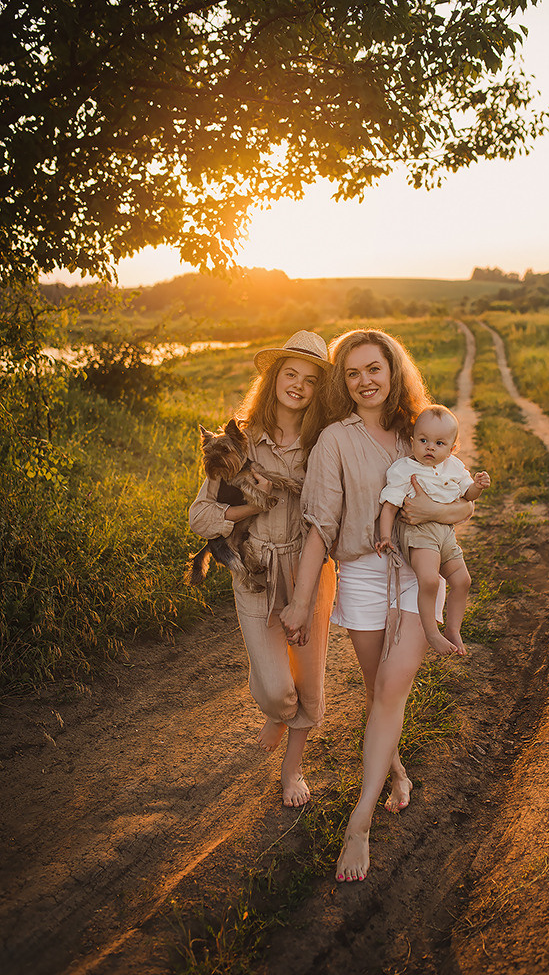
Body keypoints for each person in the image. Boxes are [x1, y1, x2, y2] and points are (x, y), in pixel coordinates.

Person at [279, 329, 474, 881]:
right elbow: (318, 528)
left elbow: (460, 505)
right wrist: (299, 603)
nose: (365, 381)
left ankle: (358, 824)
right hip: (362, 574)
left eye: (375, 369)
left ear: (393, 372)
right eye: (353, 373)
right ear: (343, 383)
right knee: (376, 691)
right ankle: (397, 774)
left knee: (391, 688)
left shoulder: (419, 427)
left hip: (417, 569)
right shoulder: (334, 442)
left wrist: (433, 516)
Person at [188, 331, 336, 808]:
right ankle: (276, 706)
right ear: (274, 378)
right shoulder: (239, 438)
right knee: (278, 690)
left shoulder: (324, 443)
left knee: (308, 685)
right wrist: (251, 509)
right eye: (289, 374)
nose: (297, 386)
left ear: (319, 391)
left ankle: (292, 771)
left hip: (308, 570)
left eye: (310, 380)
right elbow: (199, 517)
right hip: (255, 569)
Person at [376, 404, 490, 657]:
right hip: (418, 532)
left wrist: (479, 487)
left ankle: (453, 629)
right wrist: (385, 536)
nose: (429, 447)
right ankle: (431, 632)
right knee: (428, 580)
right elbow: (390, 506)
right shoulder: (404, 469)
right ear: (412, 440)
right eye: (423, 440)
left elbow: (468, 494)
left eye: (439, 443)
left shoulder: (455, 467)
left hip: (446, 533)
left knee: (462, 580)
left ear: (452, 448)